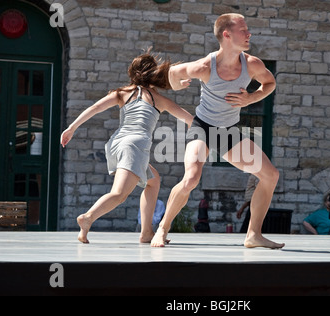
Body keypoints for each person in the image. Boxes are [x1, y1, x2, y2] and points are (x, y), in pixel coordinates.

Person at [151, 13, 284, 249]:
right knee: (191, 178)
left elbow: (270, 83)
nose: (248, 33)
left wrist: (251, 98)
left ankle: (253, 235)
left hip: (229, 131)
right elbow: (172, 73)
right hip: (202, 127)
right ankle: (162, 229)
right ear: (227, 34)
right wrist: (176, 85)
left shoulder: (252, 64)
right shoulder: (204, 67)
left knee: (270, 175)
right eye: (243, 29)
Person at [61, 50, 193, 244]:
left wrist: (71, 128)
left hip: (117, 144)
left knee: (153, 181)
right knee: (119, 194)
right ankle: (88, 218)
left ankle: (146, 232)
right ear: (154, 75)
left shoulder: (122, 93)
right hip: (135, 146)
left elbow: (95, 108)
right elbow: (188, 118)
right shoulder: (160, 100)